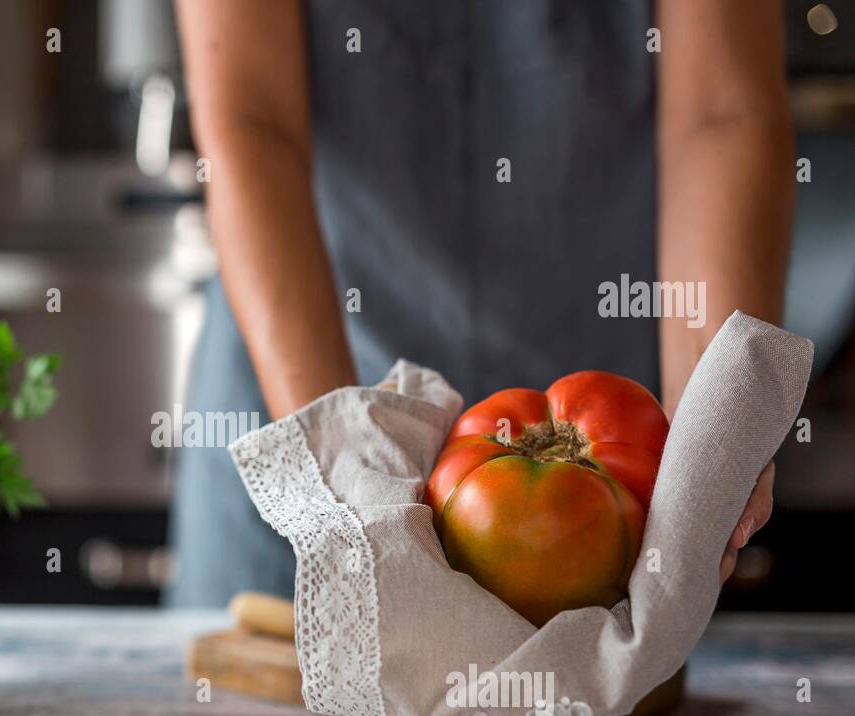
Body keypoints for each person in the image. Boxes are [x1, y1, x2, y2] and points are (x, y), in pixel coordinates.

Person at [165, 0, 793, 607]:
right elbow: (253, 118)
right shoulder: (316, 431)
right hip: (303, 386)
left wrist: (717, 416)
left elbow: (721, 111)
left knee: (607, 702)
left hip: (607, 428)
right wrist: (331, 454)